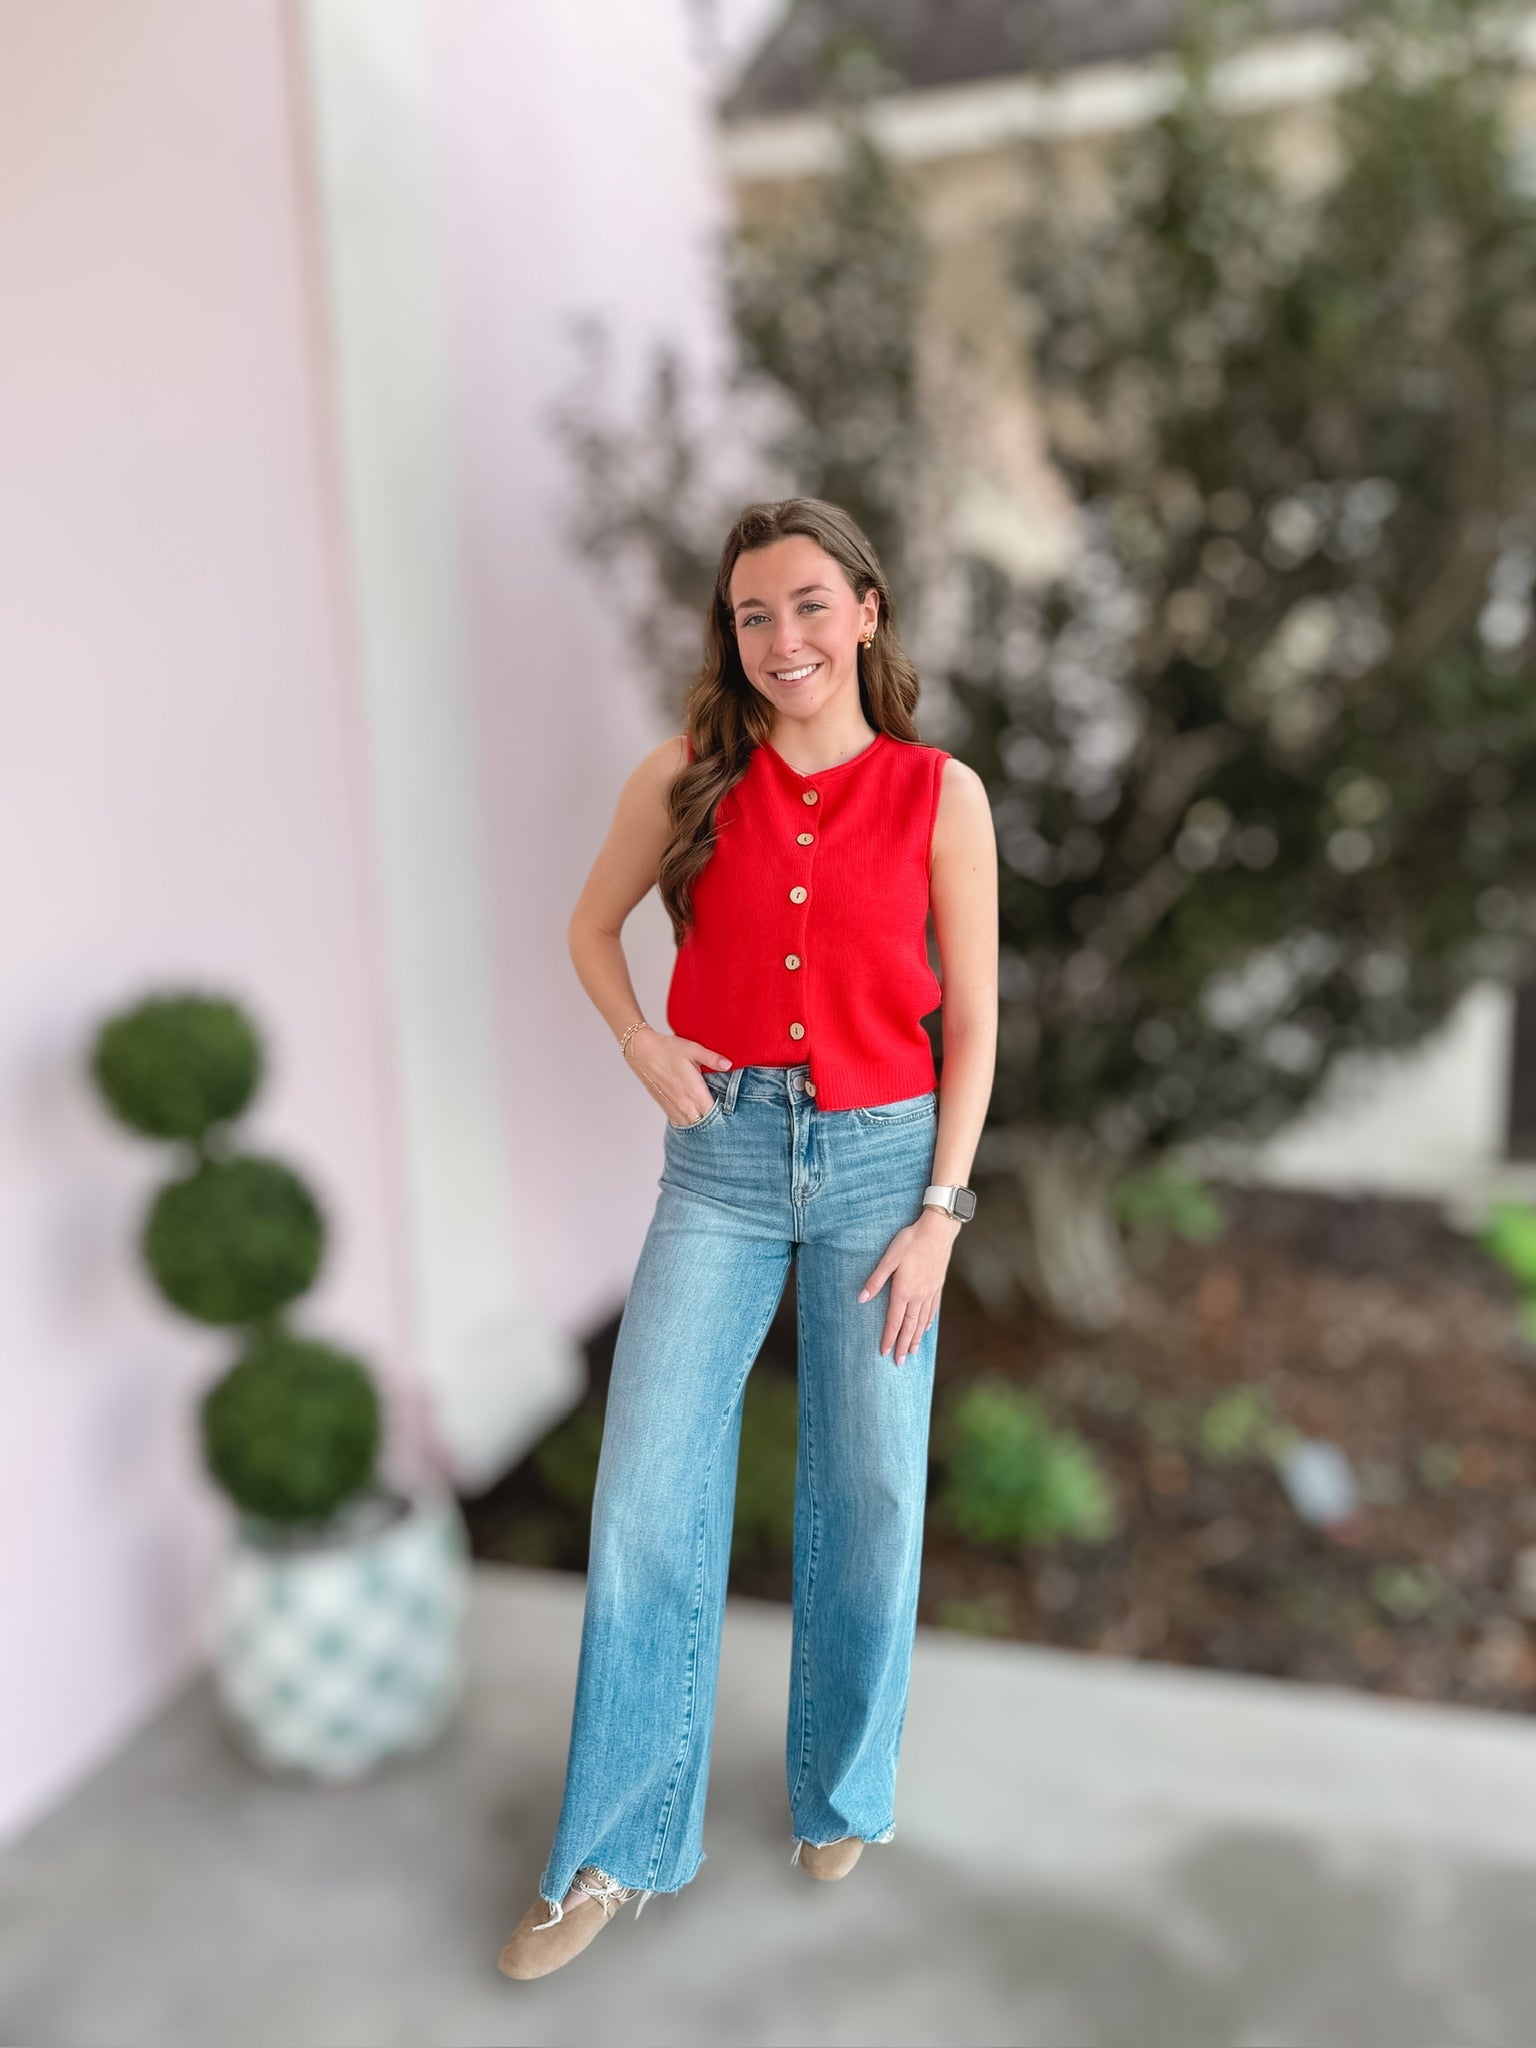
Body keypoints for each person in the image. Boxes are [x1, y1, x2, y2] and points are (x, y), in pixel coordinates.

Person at [498, 496, 998, 1980]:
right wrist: (643, 1043)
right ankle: (613, 1847)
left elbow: (975, 1026)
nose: (782, 637)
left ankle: (843, 1791)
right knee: (646, 1495)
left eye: (808, 604)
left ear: (866, 611)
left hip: (885, 1166)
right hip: (717, 1165)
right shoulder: (684, 779)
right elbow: (592, 931)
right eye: (752, 613)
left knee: (872, 1491)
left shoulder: (939, 795)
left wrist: (941, 1215)